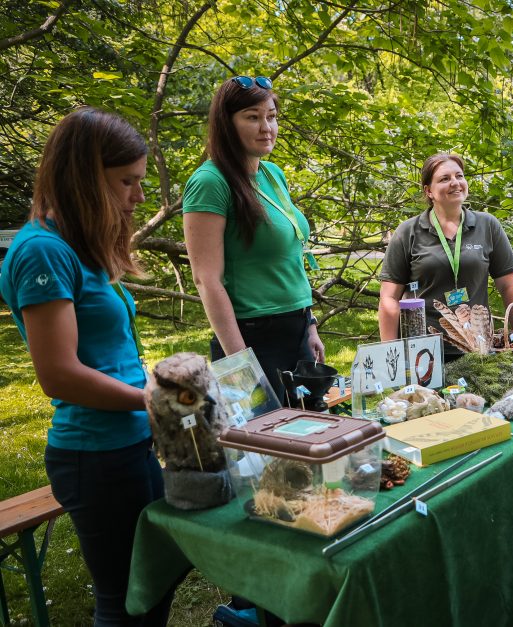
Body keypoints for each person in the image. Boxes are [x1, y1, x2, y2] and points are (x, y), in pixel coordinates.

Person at [0, 108, 174, 625]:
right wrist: (151, 398)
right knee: (125, 599)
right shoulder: (42, 253)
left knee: (154, 582)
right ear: (82, 176)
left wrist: (159, 385)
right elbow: (59, 373)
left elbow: (108, 354)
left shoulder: (79, 247)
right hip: (95, 454)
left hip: (131, 440)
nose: (139, 197)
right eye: (127, 182)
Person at [183, 76, 324, 404]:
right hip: (251, 337)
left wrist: (310, 323)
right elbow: (206, 280)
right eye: (252, 117)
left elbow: (289, 258)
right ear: (226, 123)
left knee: (313, 435)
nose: (267, 127)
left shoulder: (273, 174)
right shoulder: (210, 181)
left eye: (271, 116)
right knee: (269, 448)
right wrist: (240, 363)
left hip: (297, 331)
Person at [378, 153, 513, 358]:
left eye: (459, 176)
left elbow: (509, 287)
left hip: (477, 349)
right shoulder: (408, 232)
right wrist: (389, 354)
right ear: (429, 191)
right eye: (445, 179)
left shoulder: (487, 225)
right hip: (423, 351)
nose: (455, 183)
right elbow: (389, 299)